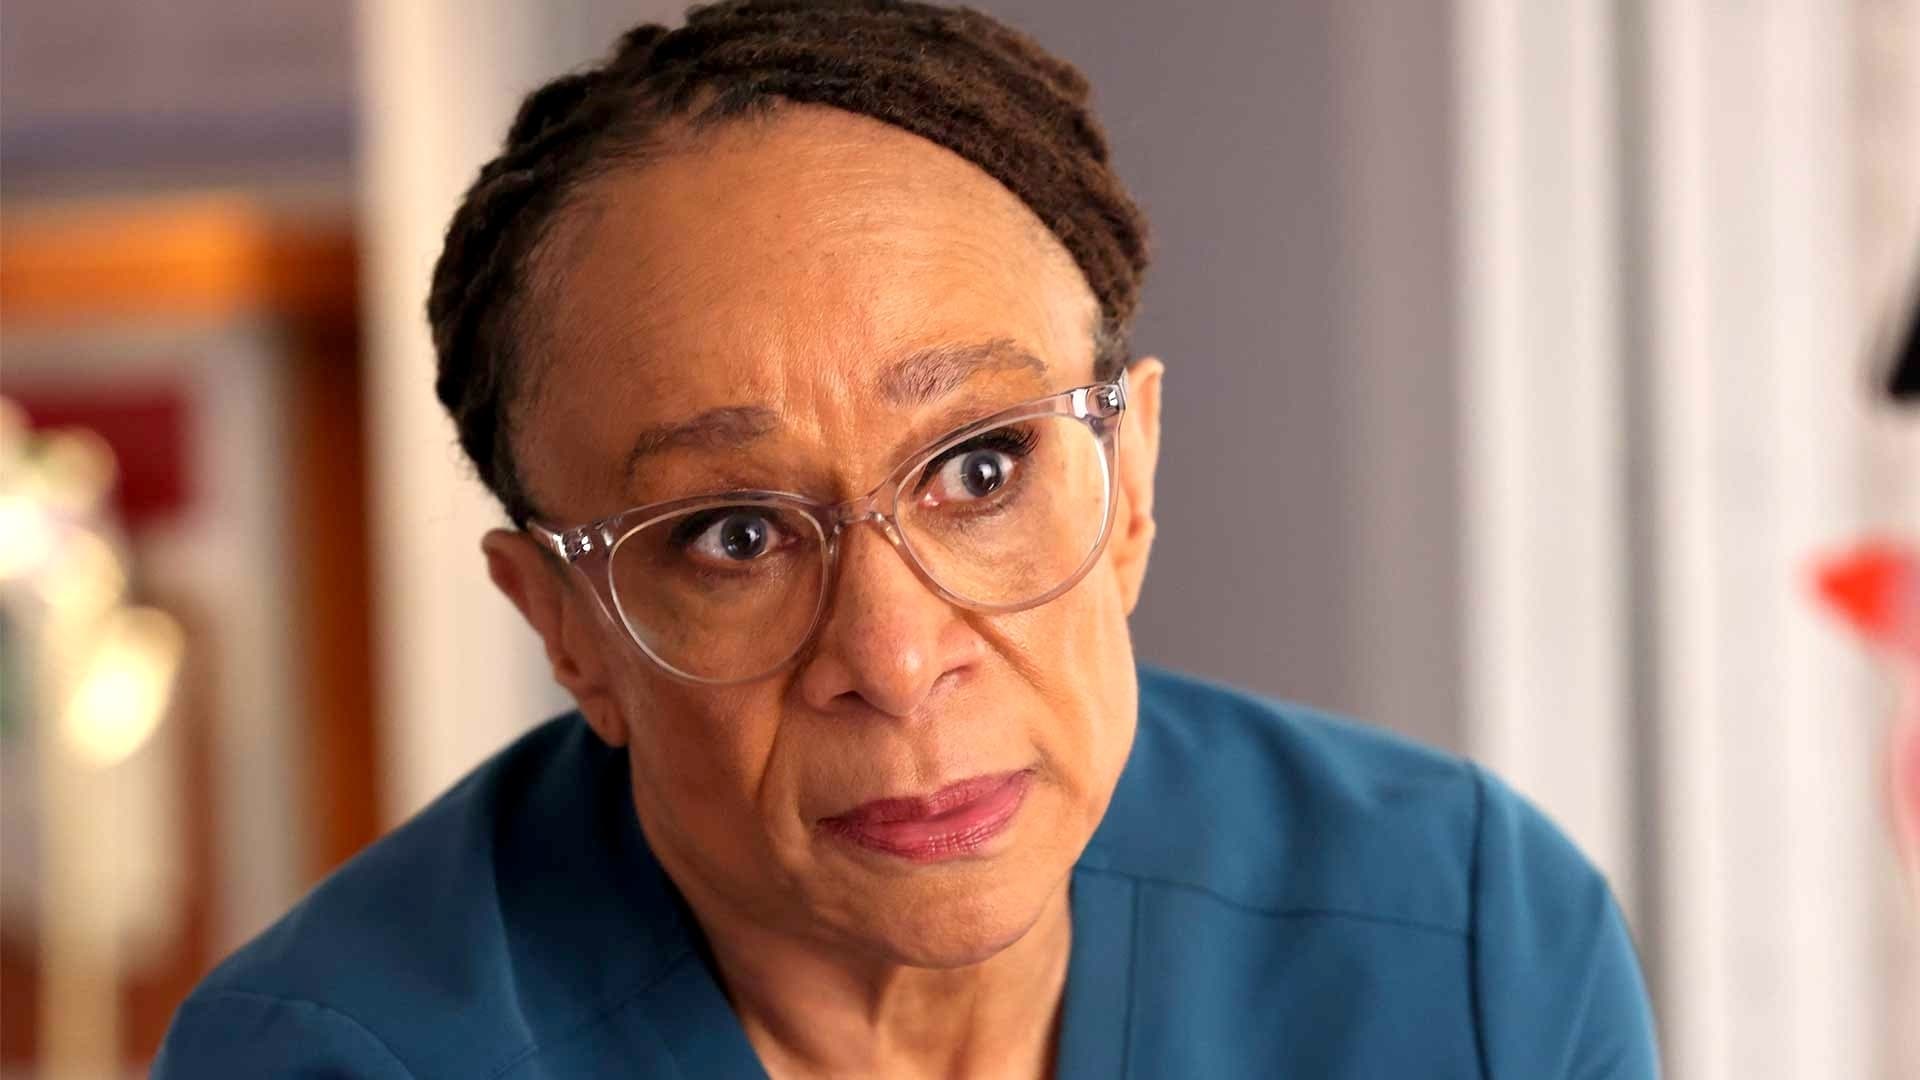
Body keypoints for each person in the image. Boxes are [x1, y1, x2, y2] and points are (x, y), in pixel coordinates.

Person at [155, 2, 1658, 1076]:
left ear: (1128, 479)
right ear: (567, 629)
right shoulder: (342, 1057)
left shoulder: (1463, 940)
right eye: (735, 534)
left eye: (981, 468)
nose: (892, 656)